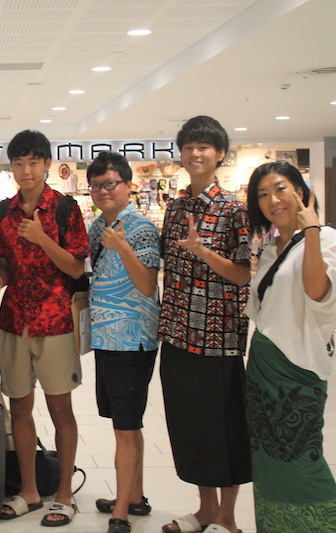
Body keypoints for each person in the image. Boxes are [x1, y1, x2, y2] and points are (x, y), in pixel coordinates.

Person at [0, 130, 89, 527]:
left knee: (61, 408)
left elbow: (75, 267)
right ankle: (29, 490)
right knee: (20, 407)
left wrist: (43, 238)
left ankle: (64, 494)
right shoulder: (2, 213)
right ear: (11, 167)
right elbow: (3, 263)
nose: (26, 170)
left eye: (33, 162)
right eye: (18, 163)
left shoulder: (65, 209)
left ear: (47, 164)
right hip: (14, 321)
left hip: (56, 321)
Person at [158, 116, 251, 533]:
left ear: (220, 154)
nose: (196, 154)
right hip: (178, 333)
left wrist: (204, 252)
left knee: (224, 429)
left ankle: (227, 518)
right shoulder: (175, 208)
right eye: (189, 147)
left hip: (219, 338)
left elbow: (243, 275)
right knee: (190, 427)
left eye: (204, 147)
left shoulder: (235, 209)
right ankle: (205, 510)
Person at [244, 161, 336, 532]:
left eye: (280, 189)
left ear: (300, 190)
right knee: (267, 460)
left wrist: (311, 229)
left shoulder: (326, 238)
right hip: (262, 369)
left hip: (299, 371)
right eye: (262, 195)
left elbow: (317, 291)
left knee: (301, 458)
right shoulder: (270, 248)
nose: (273, 201)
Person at [86, 152, 160, 533]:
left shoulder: (141, 228)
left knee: (125, 430)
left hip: (133, 340)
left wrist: (123, 248)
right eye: (96, 186)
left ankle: (121, 513)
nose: (103, 191)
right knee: (126, 424)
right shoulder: (98, 226)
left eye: (111, 184)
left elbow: (147, 285)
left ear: (128, 185)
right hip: (107, 339)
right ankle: (135, 497)